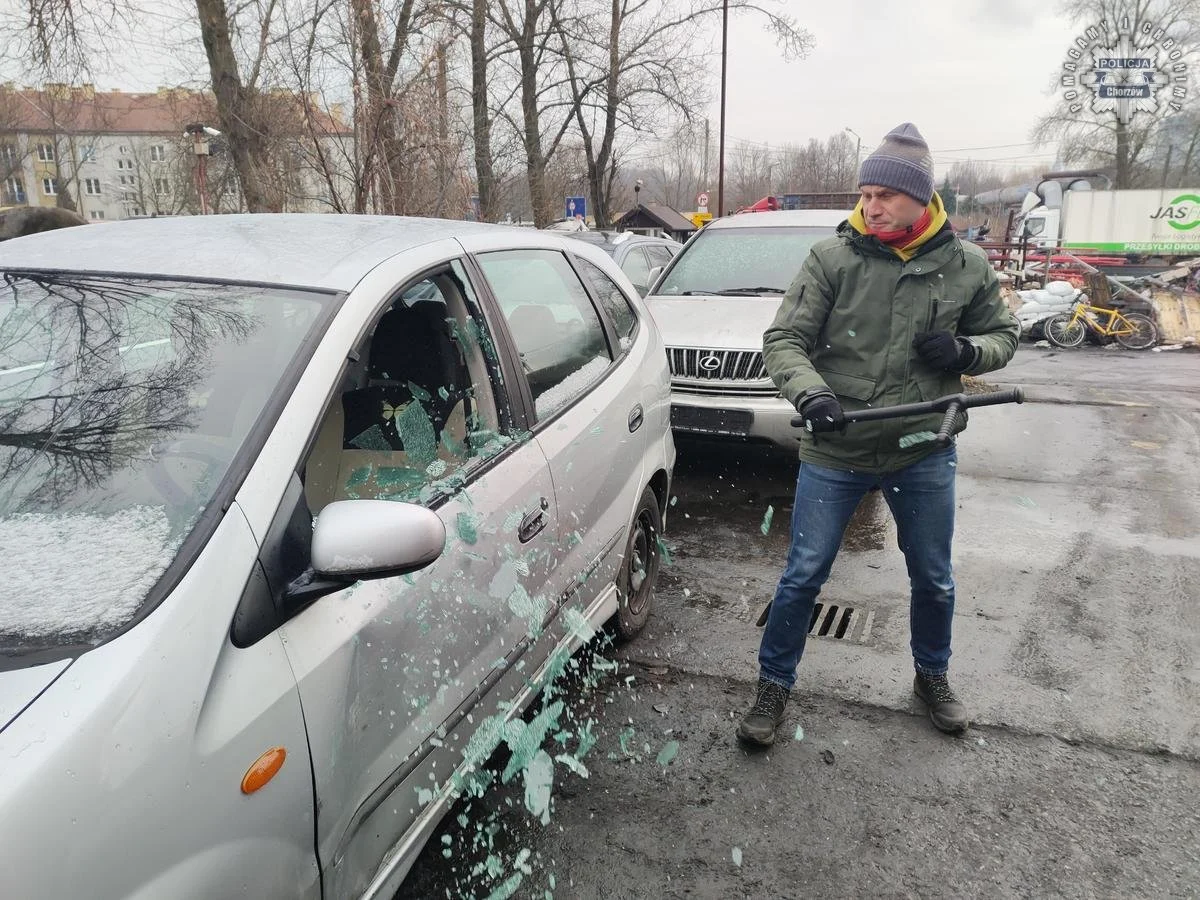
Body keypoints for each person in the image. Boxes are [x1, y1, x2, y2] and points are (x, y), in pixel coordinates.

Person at [737, 123, 1019, 745]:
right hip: (837, 448)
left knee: (933, 575)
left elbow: (1005, 337)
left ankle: (932, 675)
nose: (871, 206)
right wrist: (812, 394)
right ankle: (772, 687)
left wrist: (967, 350)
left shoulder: (965, 265)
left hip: (924, 446)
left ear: (922, 199)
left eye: (884, 195)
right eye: (864, 194)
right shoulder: (833, 258)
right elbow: (784, 340)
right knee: (803, 574)